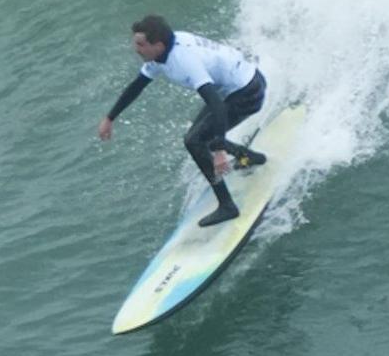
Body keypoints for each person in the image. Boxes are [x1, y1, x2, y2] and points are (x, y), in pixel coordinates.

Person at [97, 14, 268, 227]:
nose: (136, 49)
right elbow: (138, 85)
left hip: (248, 92)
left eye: (140, 44)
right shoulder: (161, 55)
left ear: (157, 45)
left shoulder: (183, 60)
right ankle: (248, 157)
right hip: (236, 87)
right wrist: (110, 118)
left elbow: (216, 105)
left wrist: (220, 151)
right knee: (196, 137)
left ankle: (227, 206)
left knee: (195, 141)